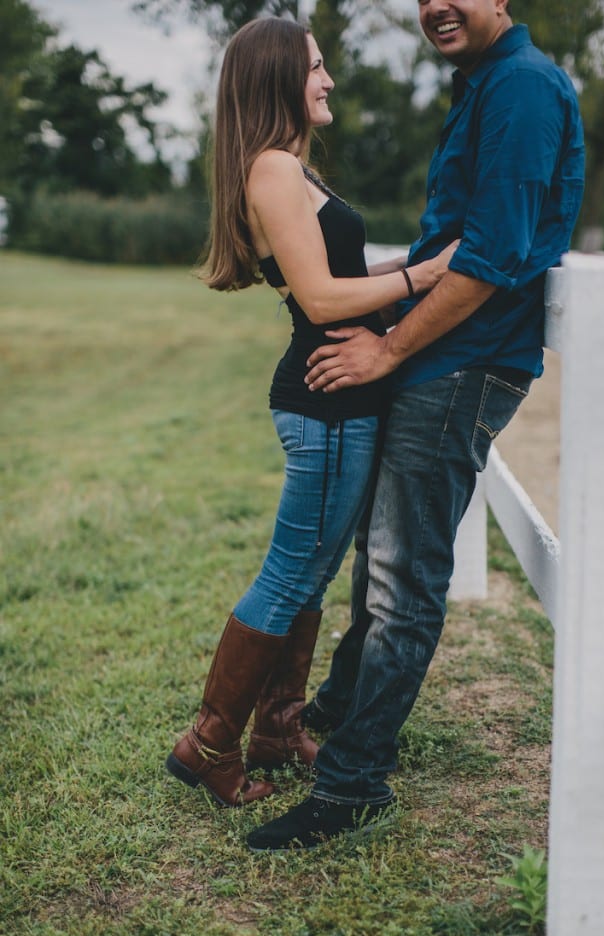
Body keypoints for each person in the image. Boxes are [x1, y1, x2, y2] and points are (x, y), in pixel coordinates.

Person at [247, 0, 585, 850]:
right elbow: (453, 243)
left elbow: (494, 257)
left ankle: (353, 782)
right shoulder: (481, 86)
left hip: (465, 362)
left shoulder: (521, 90)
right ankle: (330, 710)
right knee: (380, 565)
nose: (435, 5)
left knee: (403, 580)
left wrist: (387, 351)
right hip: (440, 356)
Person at [165, 17, 457, 808]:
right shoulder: (270, 170)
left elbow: (340, 272)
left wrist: (413, 267)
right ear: (277, 79)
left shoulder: (292, 168)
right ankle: (210, 742)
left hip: (338, 400)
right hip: (325, 403)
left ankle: (276, 729)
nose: (328, 80)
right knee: (291, 571)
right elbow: (324, 298)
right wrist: (423, 277)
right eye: (315, 68)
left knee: (311, 573)